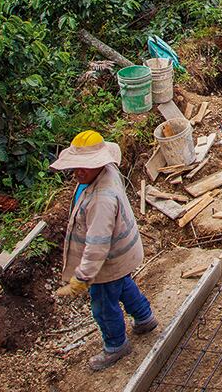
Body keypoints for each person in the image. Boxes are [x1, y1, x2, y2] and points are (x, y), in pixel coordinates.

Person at [52, 131, 156, 371]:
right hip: (122, 254)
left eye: (84, 167)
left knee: (103, 304)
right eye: (76, 166)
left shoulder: (101, 199)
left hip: (107, 262)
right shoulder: (103, 174)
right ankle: (144, 318)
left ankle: (116, 345)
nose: (78, 172)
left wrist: (83, 276)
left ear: (98, 164)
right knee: (123, 285)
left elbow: (97, 245)